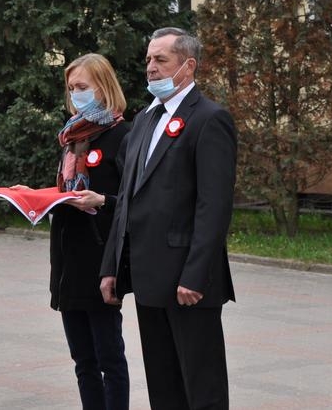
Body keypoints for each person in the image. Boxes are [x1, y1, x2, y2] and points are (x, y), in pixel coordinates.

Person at [99, 28, 237, 410]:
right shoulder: (145, 119)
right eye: (148, 60)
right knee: (164, 388)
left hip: (188, 282)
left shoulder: (210, 119)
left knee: (202, 389)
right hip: (149, 278)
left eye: (161, 60)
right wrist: (111, 266)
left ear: (188, 66)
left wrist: (195, 274)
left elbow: (214, 206)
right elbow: (126, 198)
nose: (151, 68)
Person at [17, 53, 130, 410]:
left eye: (83, 86)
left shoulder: (123, 135)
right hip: (67, 261)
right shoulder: (71, 136)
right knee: (83, 362)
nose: (76, 94)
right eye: (71, 88)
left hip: (101, 263)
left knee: (108, 358)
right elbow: (66, 191)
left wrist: (102, 200)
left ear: (104, 87)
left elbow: (133, 201)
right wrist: (36, 199)